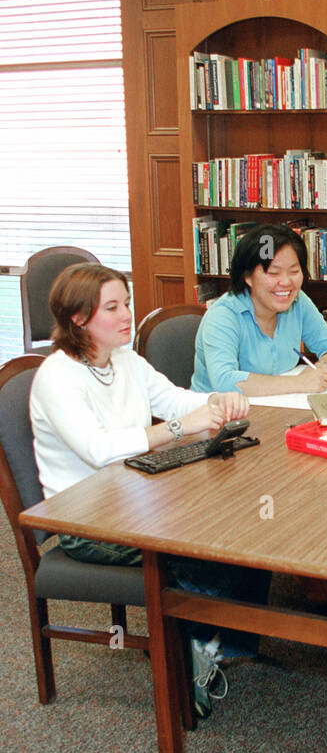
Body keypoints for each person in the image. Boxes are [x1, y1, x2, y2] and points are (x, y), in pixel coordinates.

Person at [29, 263, 271, 717]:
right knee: (207, 544)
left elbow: (174, 399)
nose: (127, 315)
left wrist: (217, 401)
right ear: (79, 319)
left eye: (127, 303)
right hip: (86, 521)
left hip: (136, 494)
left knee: (240, 521)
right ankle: (191, 656)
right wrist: (181, 427)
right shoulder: (56, 377)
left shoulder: (124, 359)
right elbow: (99, 449)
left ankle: (228, 642)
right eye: (113, 307)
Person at [192, 223, 327, 396]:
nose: (286, 282)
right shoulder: (223, 316)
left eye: (294, 271)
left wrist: (320, 371)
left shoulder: (297, 301)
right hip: (219, 416)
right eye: (273, 273)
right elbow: (224, 381)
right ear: (248, 276)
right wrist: (299, 382)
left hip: (276, 407)